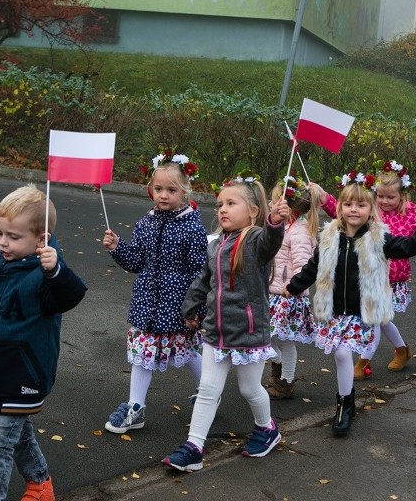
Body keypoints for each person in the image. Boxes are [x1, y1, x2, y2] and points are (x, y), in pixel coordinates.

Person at [0, 185, 87, 500]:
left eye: (13, 236)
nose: (2, 242)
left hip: (26, 373)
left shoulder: (45, 277)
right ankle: (40, 484)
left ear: (41, 240)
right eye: (0, 233)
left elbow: (71, 296)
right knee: (17, 434)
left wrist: (56, 270)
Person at [285, 172, 416, 436]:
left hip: (362, 311)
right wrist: (293, 287)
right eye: (348, 205)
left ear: (371, 209)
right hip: (335, 311)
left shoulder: (378, 237)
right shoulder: (329, 236)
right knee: (340, 354)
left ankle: (344, 405)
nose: (353, 210)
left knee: (343, 354)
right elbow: (313, 267)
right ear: (340, 208)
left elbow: (407, 247)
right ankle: (346, 400)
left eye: (360, 205)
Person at [161, 176, 289, 472]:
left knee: (249, 389)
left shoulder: (256, 240)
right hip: (215, 330)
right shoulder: (216, 244)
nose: (223, 210)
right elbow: (204, 280)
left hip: (248, 333)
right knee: (208, 388)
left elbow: (272, 241)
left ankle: (267, 428)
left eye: (231, 203)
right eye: (220, 204)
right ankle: (194, 447)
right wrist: (191, 305)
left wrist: (274, 221)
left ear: (254, 211)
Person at [101, 154, 207, 433]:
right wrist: (117, 247)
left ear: (185, 191)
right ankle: (136, 407)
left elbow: (201, 272)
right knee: (142, 352)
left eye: (171, 190)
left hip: (178, 305)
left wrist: (196, 309)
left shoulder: (192, 226)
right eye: (158, 189)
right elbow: (137, 261)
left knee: (185, 351)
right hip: (146, 302)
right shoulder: (145, 222)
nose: (163, 195)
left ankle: (209, 390)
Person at [350, 162, 416, 378]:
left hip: (392, 281)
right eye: (381, 196)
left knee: (374, 319)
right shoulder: (369, 213)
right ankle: (402, 349)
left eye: (391, 197)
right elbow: (344, 212)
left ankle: (362, 362)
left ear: (402, 196)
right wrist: (323, 198)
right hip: (368, 277)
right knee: (382, 320)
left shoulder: (408, 218)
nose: (385, 201)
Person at [265, 174, 320, 399]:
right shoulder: (284, 227)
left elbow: (304, 264)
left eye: (274, 200)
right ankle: (278, 371)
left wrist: (293, 286)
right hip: (274, 292)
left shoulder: (299, 231)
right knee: (267, 337)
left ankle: (285, 381)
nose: (270, 203)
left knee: (283, 341)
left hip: (288, 295)